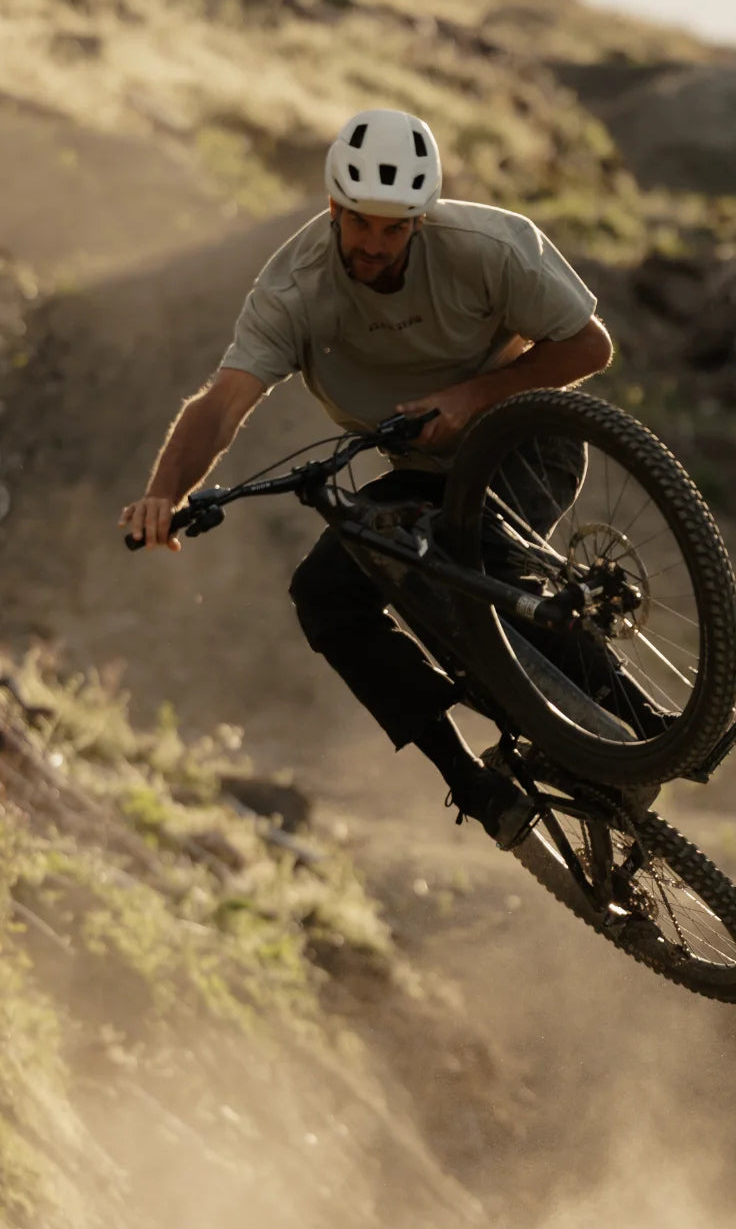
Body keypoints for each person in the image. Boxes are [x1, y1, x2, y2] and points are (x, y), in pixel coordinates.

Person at [121, 108, 653, 847]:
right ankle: (472, 783)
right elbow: (222, 404)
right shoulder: (294, 289)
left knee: (463, 562)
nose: (373, 243)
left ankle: (639, 726)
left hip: (523, 441)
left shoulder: (488, 248)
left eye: (394, 227)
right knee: (327, 594)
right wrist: (164, 494)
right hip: (419, 471)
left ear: (421, 220)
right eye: (359, 223)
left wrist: (471, 399)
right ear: (335, 208)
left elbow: (587, 347)